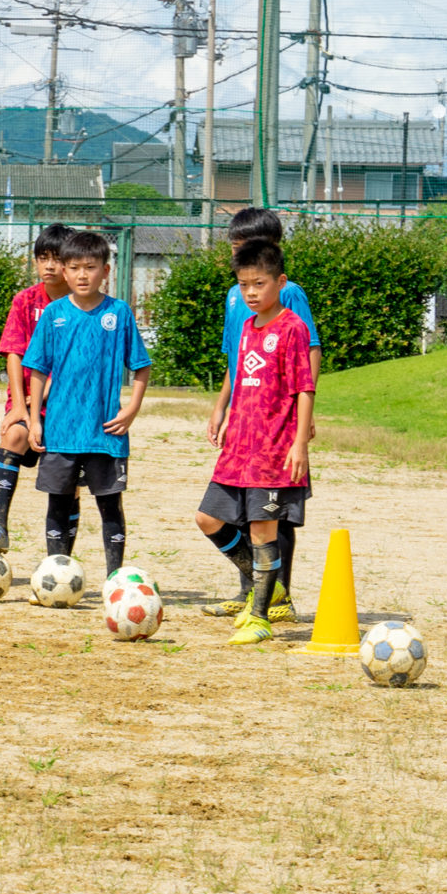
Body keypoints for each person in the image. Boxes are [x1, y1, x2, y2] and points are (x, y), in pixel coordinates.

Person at [194, 238, 314, 645]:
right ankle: (267, 582)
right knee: (208, 519)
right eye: (243, 284)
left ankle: (259, 616)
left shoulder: (293, 328)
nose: (250, 292)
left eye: (258, 284)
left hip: (273, 451)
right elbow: (241, 377)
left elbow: (303, 388)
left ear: (280, 282)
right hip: (238, 449)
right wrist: (224, 413)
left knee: (264, 531)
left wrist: (299, 443)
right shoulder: (246, 327)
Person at [22, 229, 149, 580]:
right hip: (60, 430)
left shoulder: (119, 314)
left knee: (110, 505)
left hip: (105, 433)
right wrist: (35, 421)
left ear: (105, 271)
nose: (82, 275)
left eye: (90, 267)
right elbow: (36, 371)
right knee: (58, 503)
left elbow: (141, 366)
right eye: (75, 267)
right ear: (64, 271)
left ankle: (115, 578)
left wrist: (132, 409)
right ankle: (56, 576)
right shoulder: (53, 315)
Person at [0, 222, 70, 554]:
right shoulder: (26, 301)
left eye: (57, 258)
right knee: (13, 435)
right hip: (28, 400)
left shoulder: (80, 303)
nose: (50, 266)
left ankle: (60, 558)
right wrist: (18, 405)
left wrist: (40, 395)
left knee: (67, 476)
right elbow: (14, 351)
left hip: (68, 404)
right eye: (43, 258)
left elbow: (71, 360)